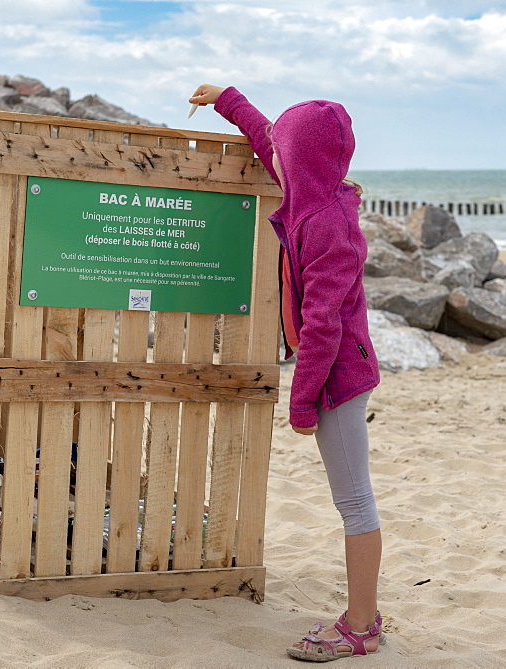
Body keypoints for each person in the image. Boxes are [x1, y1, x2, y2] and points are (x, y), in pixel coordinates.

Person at [188, 84, 385, 661]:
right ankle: (365, 613)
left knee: (355, 501)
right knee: (351, 499)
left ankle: (361, 624)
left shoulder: (332, 228)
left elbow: (324, 329)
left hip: (338, 379)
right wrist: (227, 98)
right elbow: (267, 136)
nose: (272, 155)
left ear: (300, 162)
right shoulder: (307, 194)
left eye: (283, 152)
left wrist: (303, 405)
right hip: (329, 374)